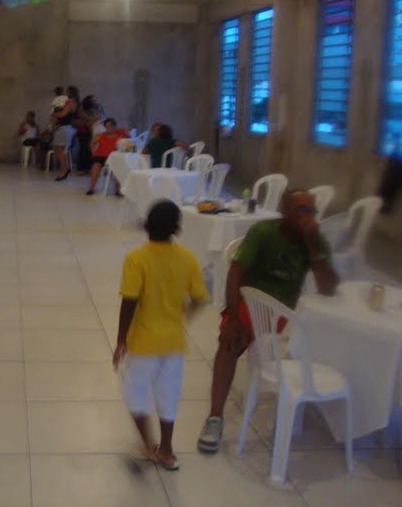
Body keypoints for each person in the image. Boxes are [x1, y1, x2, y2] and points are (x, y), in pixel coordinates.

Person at [197, 189, 339, 454]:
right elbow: (235, 273)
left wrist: (313, 247)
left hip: (286, 311)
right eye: (301, 210)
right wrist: (232, 318)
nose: (307, 217)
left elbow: (328, 288)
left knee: (320, 341)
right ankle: (215, 417)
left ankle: (304, 403)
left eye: (311, 211)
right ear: (284, 211)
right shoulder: (264, 232)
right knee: (228, 344)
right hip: (250, 304)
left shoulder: (315, 240)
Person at [113, 201, 209, 471]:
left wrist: (121, 341)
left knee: (135, 392)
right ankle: (167, 450)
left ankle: (148, 445)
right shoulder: (187, 258)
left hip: (143, 344)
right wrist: (182, 316)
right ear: (177, 230)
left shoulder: (137, 258)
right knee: (168, 395)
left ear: (145, 226)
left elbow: (129, 301)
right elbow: (200, 298)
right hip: (174, 343)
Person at [86, 118, 128, 196]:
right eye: (107, 126)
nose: (109, 128)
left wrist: (121, 131)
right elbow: (92, 143)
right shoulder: (101, 135)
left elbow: (129, 138)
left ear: (114, 126)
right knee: (95, 167)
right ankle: (91, 188)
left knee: (117, 168)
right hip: (101, 156)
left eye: (110, 126)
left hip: (115, 157)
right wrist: (93, 153)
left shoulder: (121, 134)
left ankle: (117, 190)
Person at [51, 85, 79, 181]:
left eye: (67, 91)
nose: (65, 93)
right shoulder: (69, 102)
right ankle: (64, 169)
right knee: (57, 150)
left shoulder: (71, 102)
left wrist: (54, 113)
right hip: (63, 128)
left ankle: (63, 170)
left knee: (60, 151)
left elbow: (62, 114)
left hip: (65, 128)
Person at [74, 95, 104, 174]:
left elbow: (102, 118)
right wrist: (94, 119)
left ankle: (92, 168)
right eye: (94, 100)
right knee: (84, 149)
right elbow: (85, 123)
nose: (97, 101)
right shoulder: (82, 110)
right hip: (84, 132)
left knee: (92, 149)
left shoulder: (98, 108)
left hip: (94, 130)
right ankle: (82, 168)